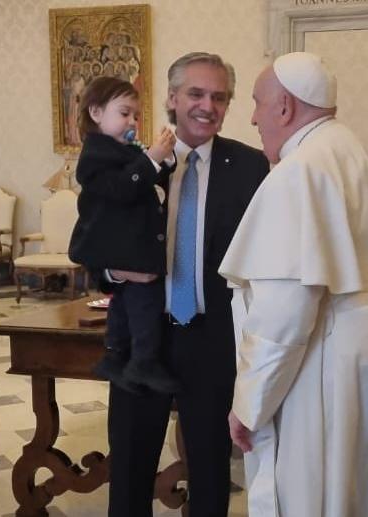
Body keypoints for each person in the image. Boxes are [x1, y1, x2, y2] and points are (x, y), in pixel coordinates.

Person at [219, 52, 368, 517]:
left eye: (257, 103)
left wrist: (248, 404)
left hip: (331, 362)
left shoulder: (298, 171)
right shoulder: (348, 148)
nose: (252, 117)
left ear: (285, 107)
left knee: (322, 493)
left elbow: (282, 317)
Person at [105, 52, 269, 517]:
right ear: (172, 98)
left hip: (212, 340)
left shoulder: (252, 167)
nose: (207, 106)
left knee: (212, 469)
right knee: (131, 467)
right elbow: (94, 247)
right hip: (143, 340)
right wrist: (116, 274)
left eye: (219, 97)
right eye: (196, 94)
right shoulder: (132, 164)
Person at [68, 76, 180, 394]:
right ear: (96, 112)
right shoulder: (96, 154)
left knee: (123, 303)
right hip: (120, 246)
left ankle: (115, 355)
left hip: (129, 244)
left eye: (135, 115)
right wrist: (152, 157)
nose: (132, 121)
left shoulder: (124, 149)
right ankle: (144, 361)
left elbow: (150, 176)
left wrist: (165, 158)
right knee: (145, 302)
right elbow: (124, 188)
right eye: (124, 113)